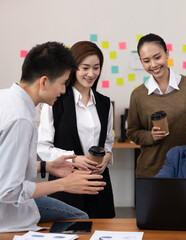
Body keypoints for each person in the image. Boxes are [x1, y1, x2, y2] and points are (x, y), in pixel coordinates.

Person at [0, 41, 107, 232]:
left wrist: (46, 166)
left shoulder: (5, 99)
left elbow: (5, 165)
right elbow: (9, 190)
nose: (64, 90)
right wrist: (64, 184)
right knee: (81, 220)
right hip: (8, 215)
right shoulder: (21, 120)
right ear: (43, 81)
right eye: (62, 83)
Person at [37, 41, 115, 218]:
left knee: (102, 230)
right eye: (85, 68)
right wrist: (74, 159)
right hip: (65, 183)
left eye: (96, 68)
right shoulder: (55, 101)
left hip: (98, 183)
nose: (91, 73)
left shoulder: (104, 103)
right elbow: (43, 147)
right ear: (73, 68)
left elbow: (108, 141)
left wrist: (107, 156)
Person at [127, 33, 186, 177]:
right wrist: (151, 136)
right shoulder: (138, 95)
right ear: (141, 62)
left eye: (157, 57)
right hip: (151, 171)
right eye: (146, 60)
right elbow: (132, 132)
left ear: (167, 53)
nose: (153, 65)